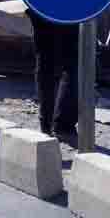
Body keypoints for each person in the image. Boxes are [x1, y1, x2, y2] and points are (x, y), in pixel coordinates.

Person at [26, 8, 79, 145]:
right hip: (70, 3)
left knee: (46, 60)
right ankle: (63, 126)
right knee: (74, 61)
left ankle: (47, 125)